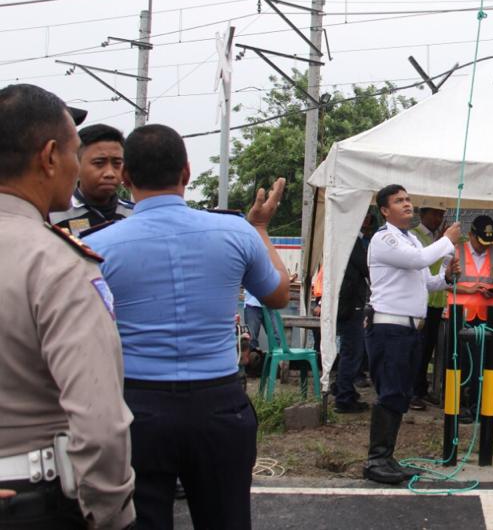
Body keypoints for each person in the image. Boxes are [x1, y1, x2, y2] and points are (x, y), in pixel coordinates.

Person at [85, 124, 292, 530]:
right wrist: (262, 229)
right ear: (187, 173)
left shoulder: (98, 247)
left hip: (136, 408)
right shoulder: (235, 231)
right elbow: (279, 295)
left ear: (126, 178)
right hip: (219, 405)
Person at [0, 85, 135, 529]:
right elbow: (99, 424)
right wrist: (111, 513)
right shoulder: (58, 262)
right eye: (81, 154)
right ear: (50, 156)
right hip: (33, 498)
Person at [364, 185, 461, 484]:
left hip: (406, 329)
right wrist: (446, 241)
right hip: (388, 327)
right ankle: (376, 460)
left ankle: (386, 457)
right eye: (398, 201)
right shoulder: (385, 238)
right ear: (384, 210)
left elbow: (426, 282)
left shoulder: (409, 241)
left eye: (408, 200)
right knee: (391, 392)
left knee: (400, 393)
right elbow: (419, 262)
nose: (407, 204)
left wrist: (445, 276)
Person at [447, 214, 493, 423]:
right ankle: (458, 407)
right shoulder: (455, 252)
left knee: (482, 363)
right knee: (460, 362)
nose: (485, 247)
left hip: (486, 317)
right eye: (480, 241)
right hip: (460, 315)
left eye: (488, 242)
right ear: (470, 235)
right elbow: (443, 282)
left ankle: (477, 406)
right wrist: (469, 290)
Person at [315, 211, 375, 413]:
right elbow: (367, 268)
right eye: (366, 216)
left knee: (349, 350)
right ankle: (344, 397)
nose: (368, 221)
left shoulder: (341, 239)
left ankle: (343, 388)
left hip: (344, 303)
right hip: (350, 305)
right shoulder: (352, 241)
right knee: (353, 351)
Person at [49, 123, 134, 235]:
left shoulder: (134, 214)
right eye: (99, 163)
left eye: (117, 164)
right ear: (77, 165)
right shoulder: (54, 216)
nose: (110, 173)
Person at [410, 207, 449, 410]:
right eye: (434, 214)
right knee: (418, 349)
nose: (437, 218)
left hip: (436, 301)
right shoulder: (414, 236)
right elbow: (425, 261)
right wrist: (442, 242)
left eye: (441, 215)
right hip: (421, 302)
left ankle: (422, 389)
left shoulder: (438, 237)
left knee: (428, 350)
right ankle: (413, 392)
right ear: (422, 214)